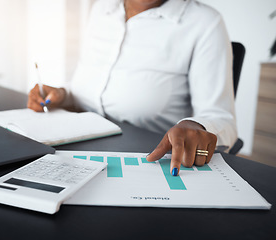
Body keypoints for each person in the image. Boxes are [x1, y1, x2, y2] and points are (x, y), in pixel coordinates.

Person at [28, 0, 237, 176]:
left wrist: (196, 127)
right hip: (77, 146)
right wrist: (63, 94)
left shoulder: (204, 23)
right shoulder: (103, 8)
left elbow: (220, 118)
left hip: (149, 160)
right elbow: (91, 84)